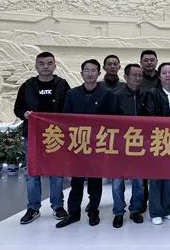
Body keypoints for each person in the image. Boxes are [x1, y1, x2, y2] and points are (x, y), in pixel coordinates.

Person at [56, 59, 115, 228]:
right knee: (76, 182)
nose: (90, 74)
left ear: (99, 73)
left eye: (93, 70)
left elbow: (112, 120)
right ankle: (73, 213)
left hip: (97, 144)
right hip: (78, 144)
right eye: (86, 70)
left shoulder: (107, 94)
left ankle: (93, 211)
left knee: (95, 181)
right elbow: (66, 119)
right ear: (81, 73)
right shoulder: (72, 94)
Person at [14, 51, 70, 225]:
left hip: (56, 136)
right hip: (33, 135)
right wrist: (24, 114)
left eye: (49, 63)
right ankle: (33, 208)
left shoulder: (62, 85)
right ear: (36, 66)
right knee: (32, 173)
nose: (46, 67)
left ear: (55, 65)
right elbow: (18, 108)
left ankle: (58, 206)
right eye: (42, 63)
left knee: (57, 172)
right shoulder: (27, 85)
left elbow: (69, 108)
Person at [143, 62, 170, 225]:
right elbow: (150, 115)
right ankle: (155, 211)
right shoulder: (153, 93)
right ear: (159, 76)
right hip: (159, 138)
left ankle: (168, 208)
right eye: (164, 72)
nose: (167, 75)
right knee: (156, 176)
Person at [111, 63, 145, 228]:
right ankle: (118, 212)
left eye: (140, 75)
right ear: (125, 77)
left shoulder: (146, 95)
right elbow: (109, 121)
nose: (137, 78)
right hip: (119, 145)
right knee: (117, 182)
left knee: (139, 182)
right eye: (134, 75)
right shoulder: (116, 96)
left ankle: (135, 209)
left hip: (140, 145)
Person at [138, 49, 158, 213]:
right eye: (146, 60)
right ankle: (143, 199)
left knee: (161, 167)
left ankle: (161, 199)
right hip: (141, 130)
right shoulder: (137, 79)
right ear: (141, 62)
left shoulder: (162, 77)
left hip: (161, 131)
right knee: (143, 169)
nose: (149, 62)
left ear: (156, 61)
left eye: (152, 60)